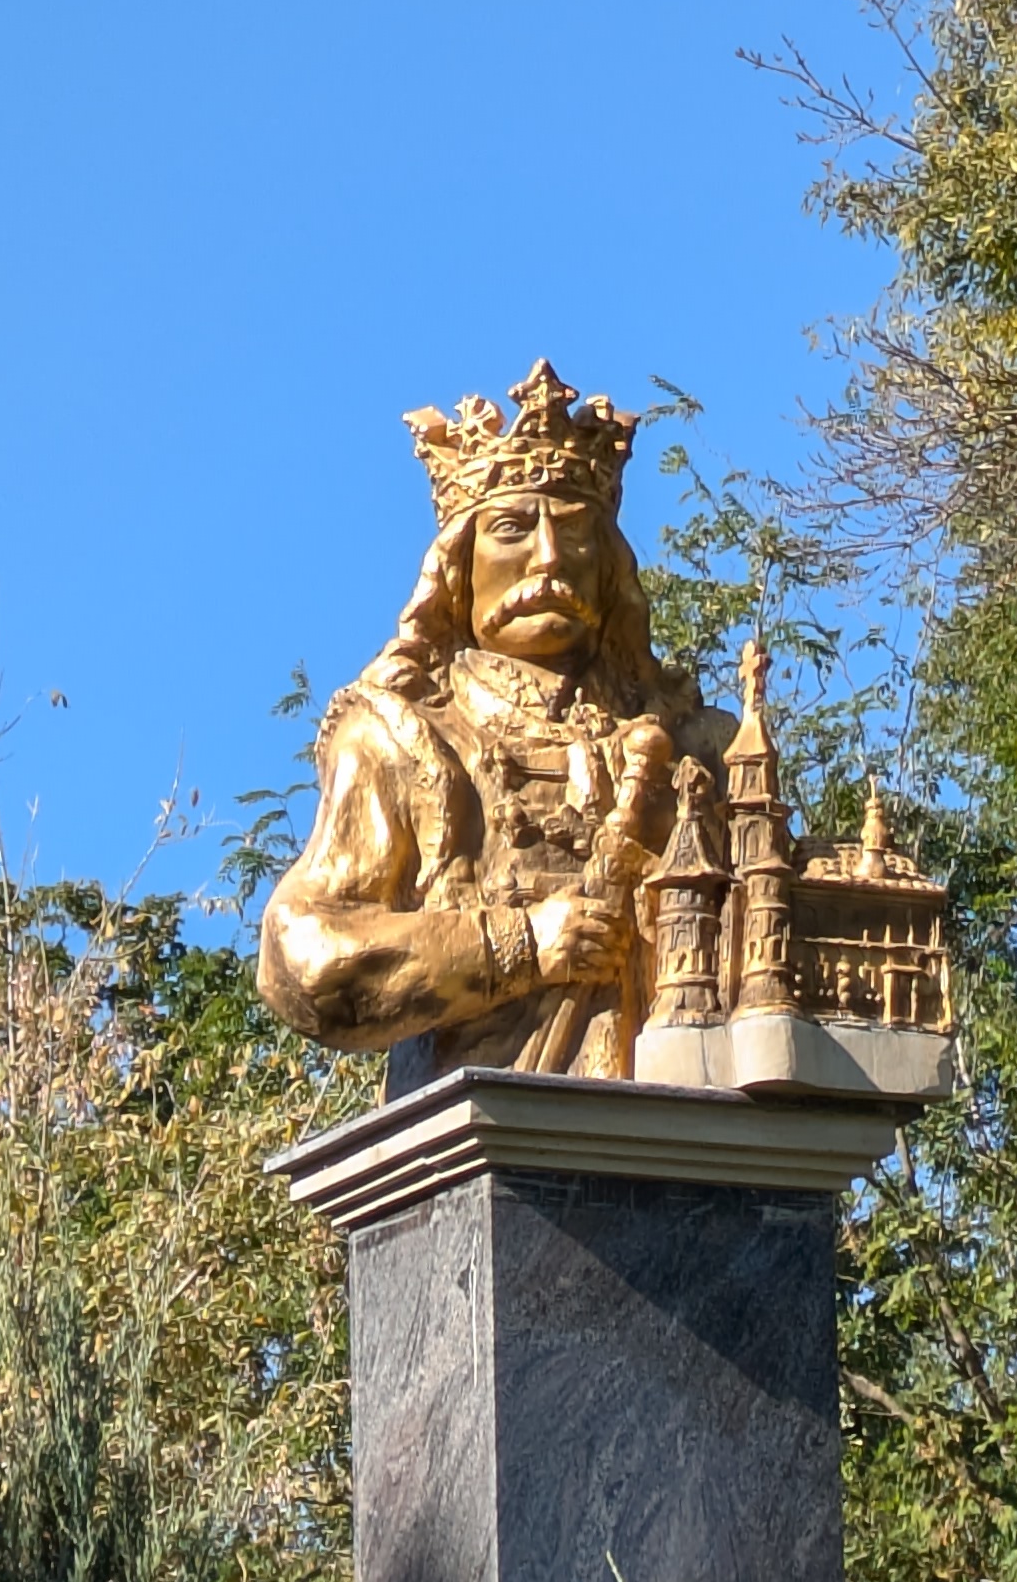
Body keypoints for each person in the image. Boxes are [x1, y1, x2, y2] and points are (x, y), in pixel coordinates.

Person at [256, 364, 731, 1090]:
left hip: (690, 1118)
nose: (548, 558)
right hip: (482, 1140)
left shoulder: (703, 748)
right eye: (512, 529)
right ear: (456, 567)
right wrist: (522, 943)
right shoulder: (400, 738)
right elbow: (303, 958)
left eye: (574, 532)